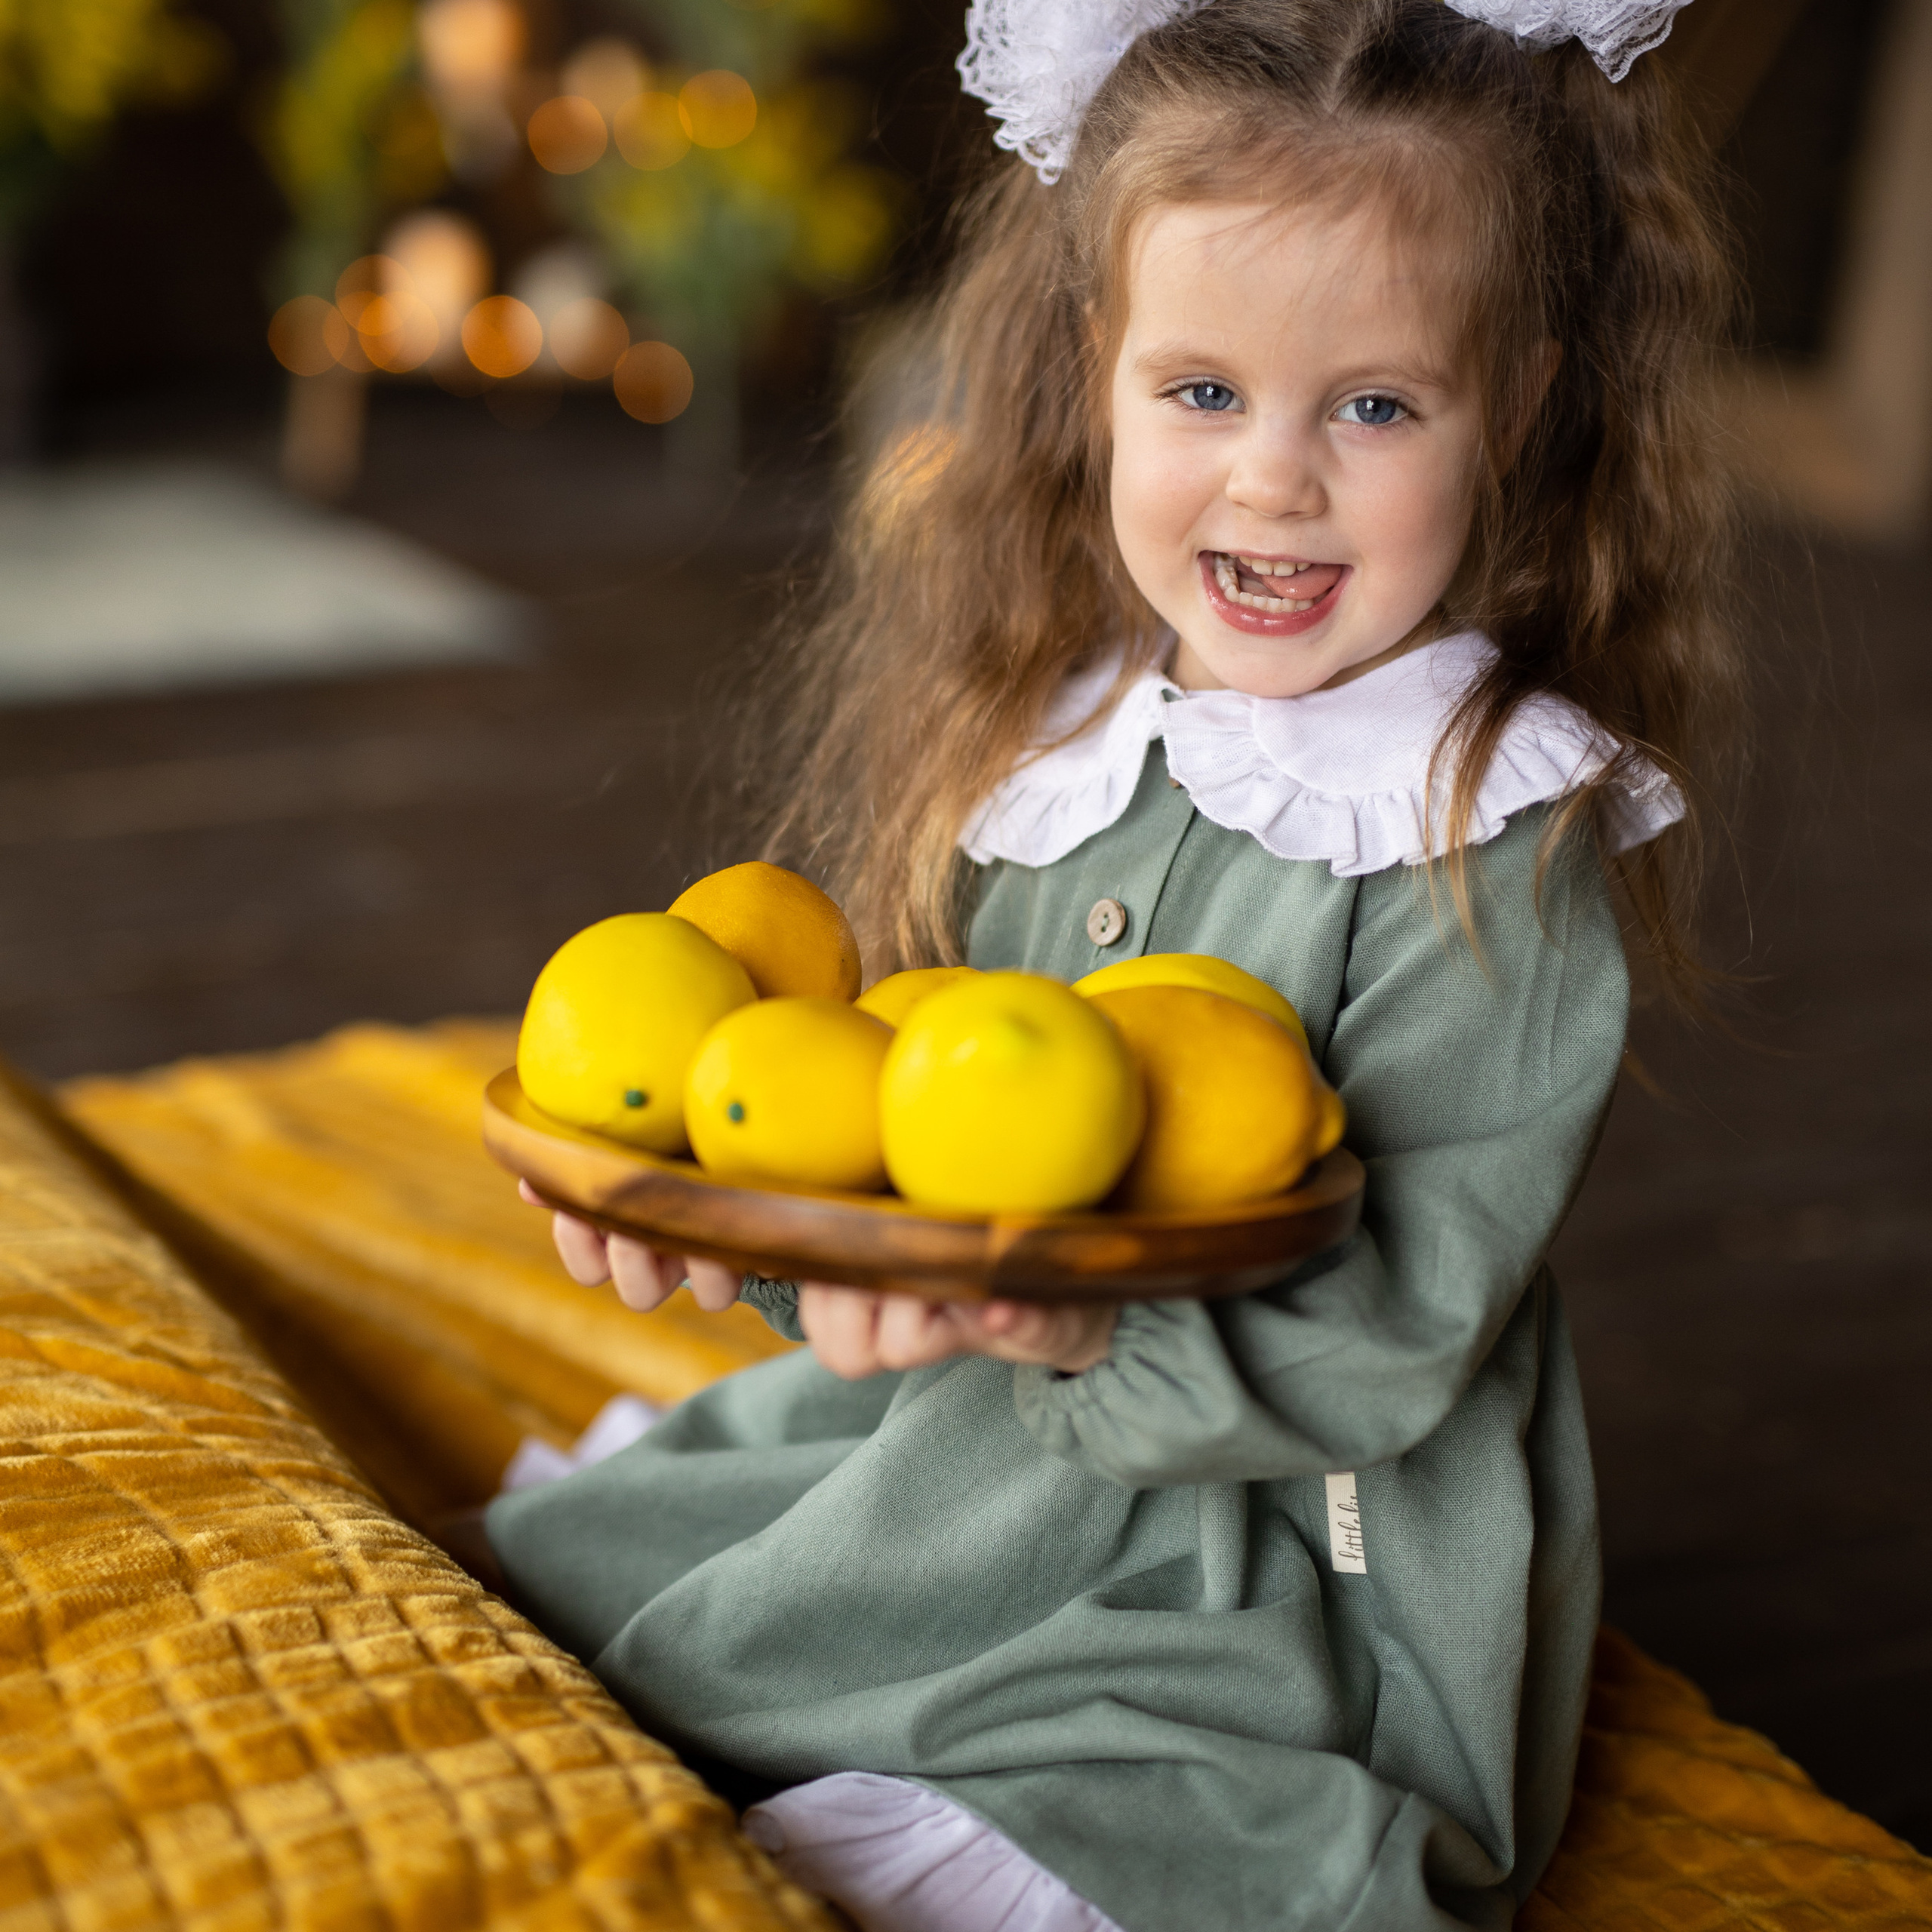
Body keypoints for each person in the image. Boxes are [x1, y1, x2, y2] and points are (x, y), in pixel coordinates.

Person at [488, 0, 1745, 1924]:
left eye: (1376, 405)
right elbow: (905, 1125)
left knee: (1115, 1836)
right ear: (1096, 370)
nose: (1271, 481)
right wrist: (732, 1217)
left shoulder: (1488, 829)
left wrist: (1072, 1326)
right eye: (1202, 392)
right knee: (569, 1592)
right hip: (957, 1452)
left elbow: (1395, 1321)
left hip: (1270, 1554)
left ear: (1523, 400)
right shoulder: (1066, 735)